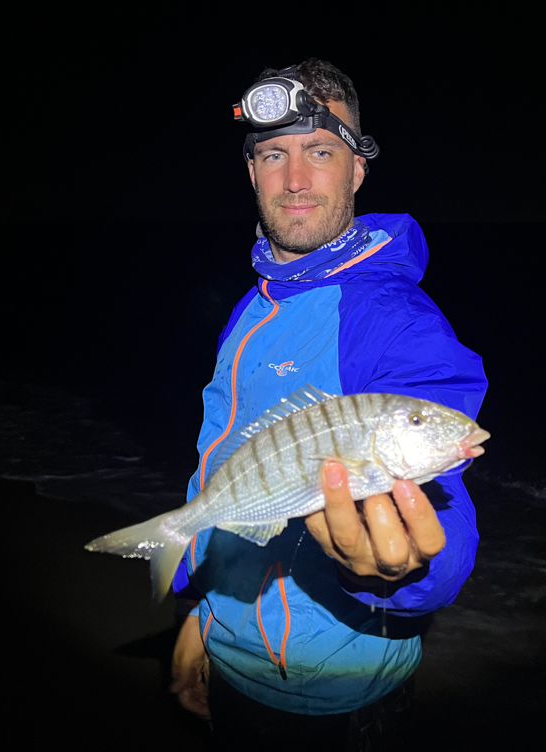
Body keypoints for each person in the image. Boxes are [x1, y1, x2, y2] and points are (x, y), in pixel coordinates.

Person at [168, 58, 488, 749]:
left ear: (357, 171)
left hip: (333, 703)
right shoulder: (254, 306)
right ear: (251, 172)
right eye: (272, 154)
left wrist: (406, 572)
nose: (295, 178)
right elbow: (229, 475)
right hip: (232, 659)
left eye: (320, 151)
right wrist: (203, 617)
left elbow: (445, 516)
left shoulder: (395, 320)